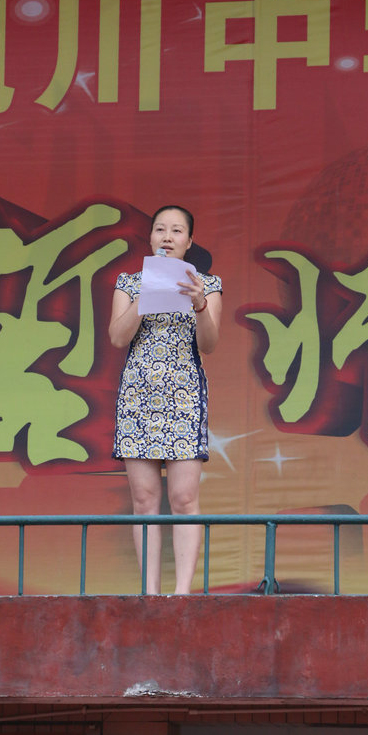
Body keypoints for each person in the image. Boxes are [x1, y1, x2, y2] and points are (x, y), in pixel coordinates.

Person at [109, 206, 222, 594]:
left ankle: (182, 594)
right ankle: (151, 593)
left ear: (189, 241)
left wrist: (200, 304)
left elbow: (210, 344)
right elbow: (117, 338)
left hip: (183, 397)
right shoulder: (129, 283)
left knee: (184, 497)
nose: (168, 237)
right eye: (160, 230)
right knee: (144, 500)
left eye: (176, 231)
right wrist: (146, 297)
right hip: (138, 397)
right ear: (151, 238)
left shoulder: (206, 285)